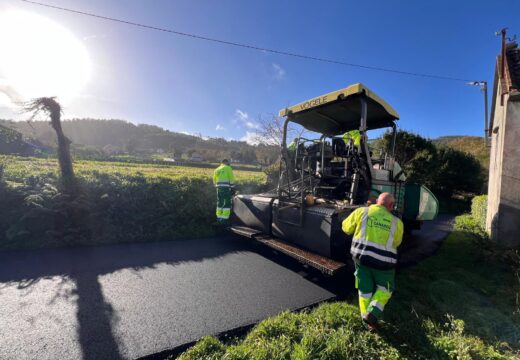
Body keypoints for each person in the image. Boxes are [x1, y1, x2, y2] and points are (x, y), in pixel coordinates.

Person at [342, 192, 404, 331]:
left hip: (361, 259)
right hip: (384, 265)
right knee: (385, 289)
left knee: (364, 291)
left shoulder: (361, 212)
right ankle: (373, 312)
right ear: (391, 206)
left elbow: (345, 228)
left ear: (377, 201)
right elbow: (397, 242)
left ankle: (367, 323)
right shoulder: (397, 223)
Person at [213, 159, 235, 224]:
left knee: (219, 202)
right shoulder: (228, 168)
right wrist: (232, 188)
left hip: (218, 188)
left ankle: (219, 218)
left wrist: (218, 186)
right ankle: (224, 220)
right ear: (226, 162)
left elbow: (214, 180)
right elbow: (231, 178)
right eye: (228, 162)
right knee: (227, 202)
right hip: (226, 188)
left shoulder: (217, 169)